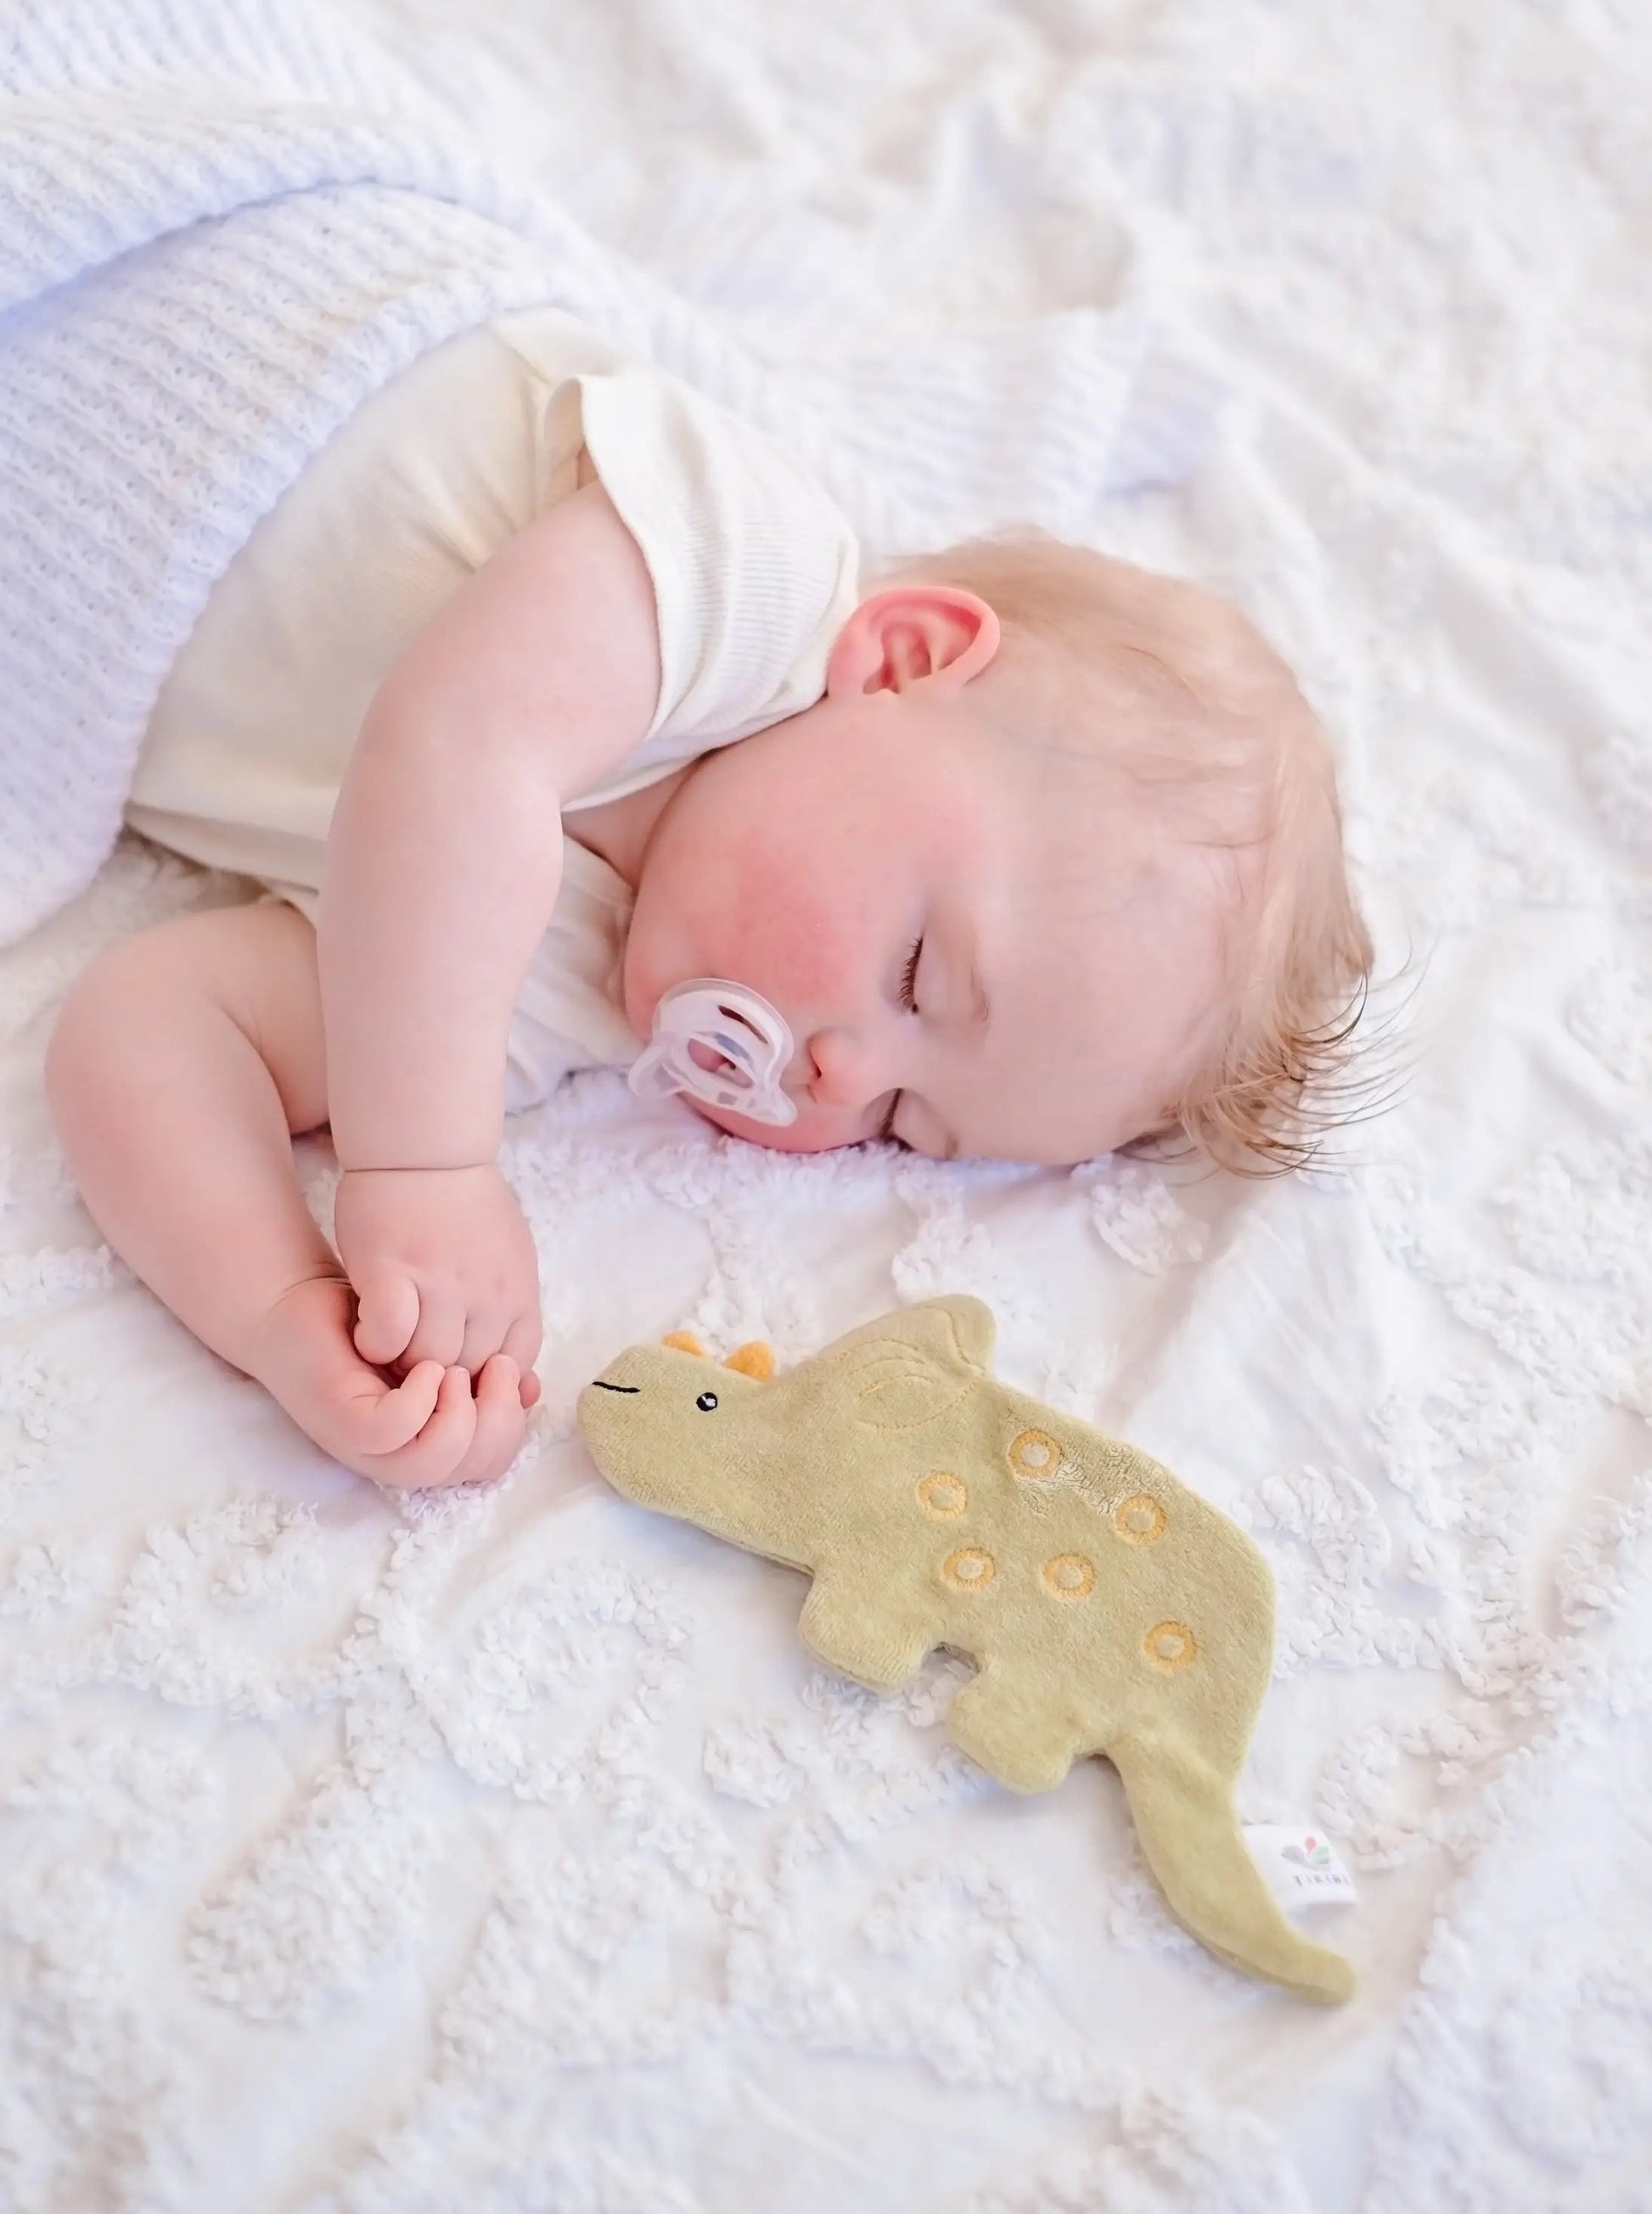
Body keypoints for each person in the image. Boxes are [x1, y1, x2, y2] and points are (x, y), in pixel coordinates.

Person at [42, 308, 1372, 1492]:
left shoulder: (554, 1003)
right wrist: (422, 1163)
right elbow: (459, 747)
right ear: (901, 661)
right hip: (179, 326)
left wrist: (280, 1305)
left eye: (899, 1125)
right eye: (917, 973)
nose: (836, 1079)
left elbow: (152, 1030)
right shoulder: (736, 578)